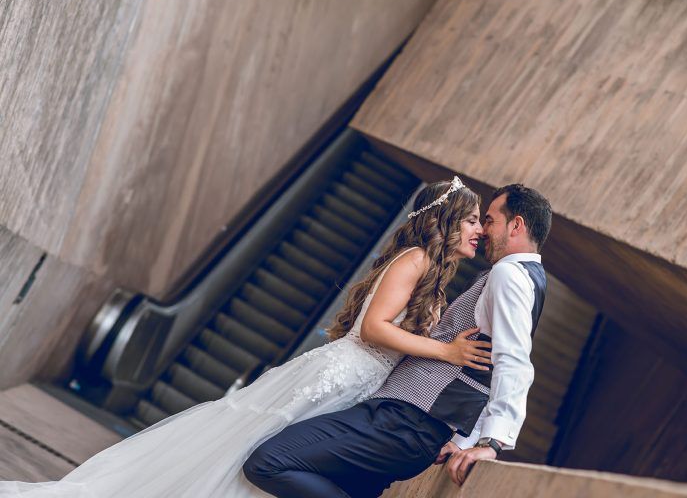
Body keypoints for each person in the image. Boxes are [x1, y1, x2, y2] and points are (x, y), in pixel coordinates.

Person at [0, 177, 489, 497]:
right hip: (344, 377)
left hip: (358, 383)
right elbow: (374, 328)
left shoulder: (430, 273)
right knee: (255, 451)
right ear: (445, 221)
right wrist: (446, 349)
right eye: (471, 220)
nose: (477, 231)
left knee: (268, 453)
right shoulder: (415, 260)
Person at [243, 183, 552, 498]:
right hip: (401, 419)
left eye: (488, 220)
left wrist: (491, 441)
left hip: (405, 423)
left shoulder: (508, 276)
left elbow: (511, 362)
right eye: (475, 220)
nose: (483, 230)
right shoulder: (521, 278)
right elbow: (488, 367)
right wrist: (463, 441)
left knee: (267, 461)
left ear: (516, 225)